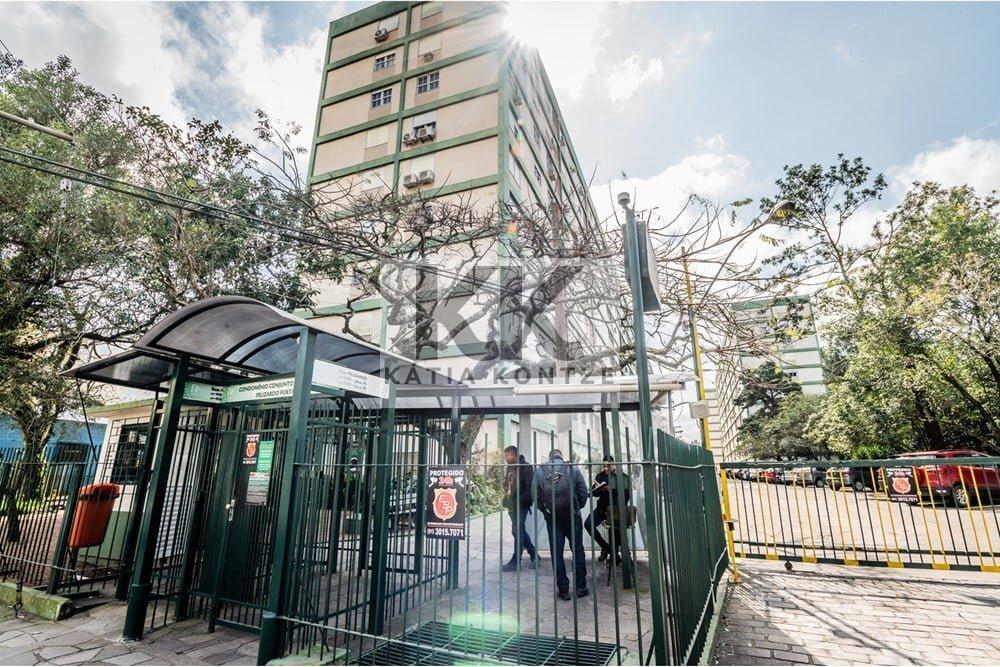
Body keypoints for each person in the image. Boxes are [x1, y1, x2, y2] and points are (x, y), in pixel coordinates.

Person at [535, 449, 589, 600]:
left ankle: (563, 589)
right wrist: (576, 507)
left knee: (557, 552)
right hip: (572, 516)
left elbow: (535, 495)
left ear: (549, 457)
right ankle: (581, 587)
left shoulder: (540, 471)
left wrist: (546, 511)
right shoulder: (572, 468)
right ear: (561, 456)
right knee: (577, 550)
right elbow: (583, 492)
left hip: (553, 518)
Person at [584, 456, 632, 563]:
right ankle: (606, 547)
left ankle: (619, 555)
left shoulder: (622, 477)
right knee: (588, 524)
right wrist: (598, 489)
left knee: (616, 530)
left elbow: (626, 495)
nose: (606, 468)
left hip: (616, 510)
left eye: (608, 466)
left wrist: (611, 490)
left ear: (614, 465)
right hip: (602, 508)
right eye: (604, 466)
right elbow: (593, 493)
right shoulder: (599, 476)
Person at [501, 445, 537, 571]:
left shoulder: (526, 467)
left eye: (508, 455)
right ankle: (534, 555)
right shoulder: (509, 467)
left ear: (515, 455)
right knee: (519, 530)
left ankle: (516, 561)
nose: (506, 458)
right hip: (511, 504)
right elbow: (507, 484)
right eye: (505, 455)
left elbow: (529, 489)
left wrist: (518, 501)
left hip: (522, 505)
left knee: (517, 530)